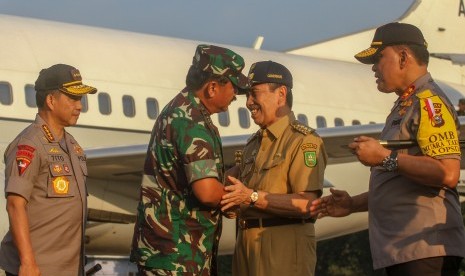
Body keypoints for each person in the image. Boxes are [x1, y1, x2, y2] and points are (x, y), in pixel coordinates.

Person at [310, 22, 465, 275]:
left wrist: (384, 157)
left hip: (425, 251)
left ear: (403, 57)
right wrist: (352, 204)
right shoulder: (405, 106)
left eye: (379, 58)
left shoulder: (429, 103)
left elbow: (448, 173)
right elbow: (400, 186)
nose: (373, 67)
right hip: (405, 251)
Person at [129, 44, 249, 275]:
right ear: (212, 87)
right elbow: (207, 192)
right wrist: (246, 197)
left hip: (169, 251)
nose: (236, 96)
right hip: (177, 256)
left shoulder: (180, 109)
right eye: (233, 87)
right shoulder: (191, 122)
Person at [220, 61, 327, 276]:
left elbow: (308, 204)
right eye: (247, 96)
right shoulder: (253, 144)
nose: (248, 102)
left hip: (282, 250)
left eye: (254, 93)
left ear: (281, 94)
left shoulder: (304, 141)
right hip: (246, 247)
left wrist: (250, 197)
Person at [0, 64, 97, 276]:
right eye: (72, 99)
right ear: (51, 101)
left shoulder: (73, 147)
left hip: (69, 269)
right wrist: (27, 263)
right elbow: (15, 204)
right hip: (37, 269)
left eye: (80, 100)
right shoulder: (29, 144)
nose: (79, 106)